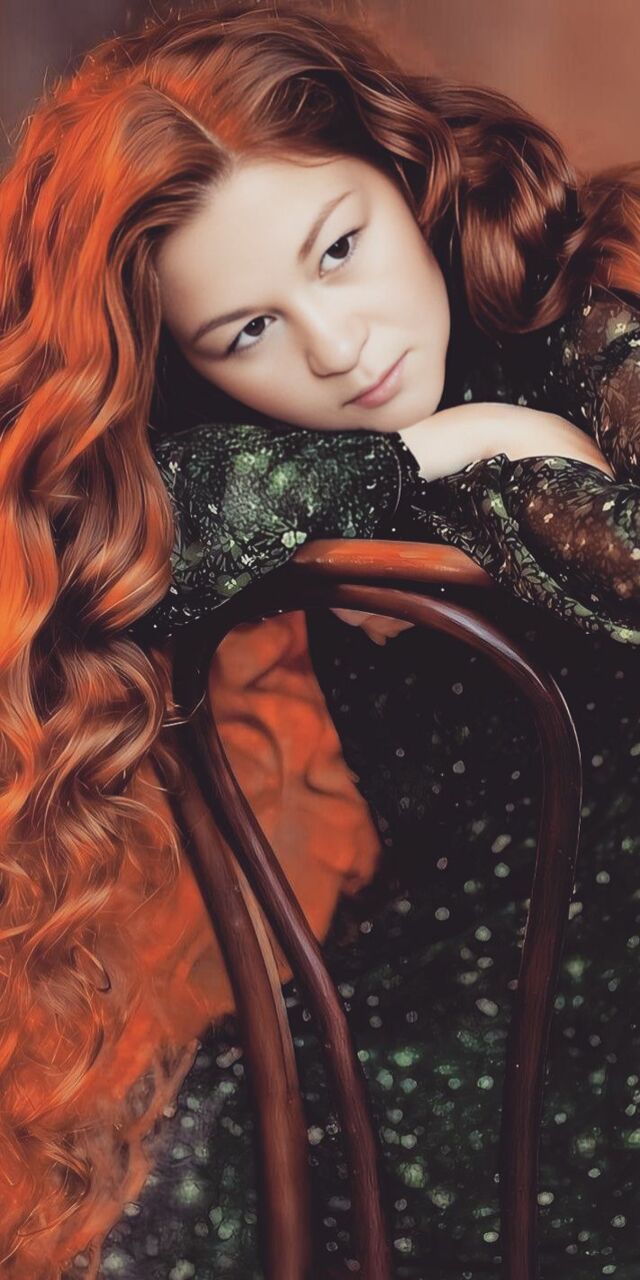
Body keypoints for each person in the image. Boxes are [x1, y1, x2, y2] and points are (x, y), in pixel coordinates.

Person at [0, 0, 639, 1276]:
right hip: (405, 1067)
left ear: (403, 172)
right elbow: (75, 530)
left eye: (340, 247)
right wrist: (444, 450)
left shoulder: (586, 309)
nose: (341, 350)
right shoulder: (256, 462)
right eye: (248, 329)